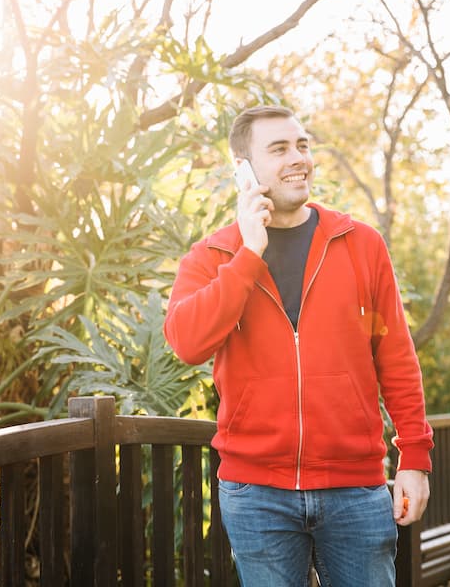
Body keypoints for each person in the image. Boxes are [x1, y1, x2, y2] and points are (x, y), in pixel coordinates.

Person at [163, 105, 433, 586]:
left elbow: (396, 359)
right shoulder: (214, 256)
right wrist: (249, 254)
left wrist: (414, 458)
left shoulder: (360, 244)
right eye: (280, 148)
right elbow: (187, 342)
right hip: (256, 493)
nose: (298, 158)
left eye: (303, 145)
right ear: (243, 168)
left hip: (355, 488)